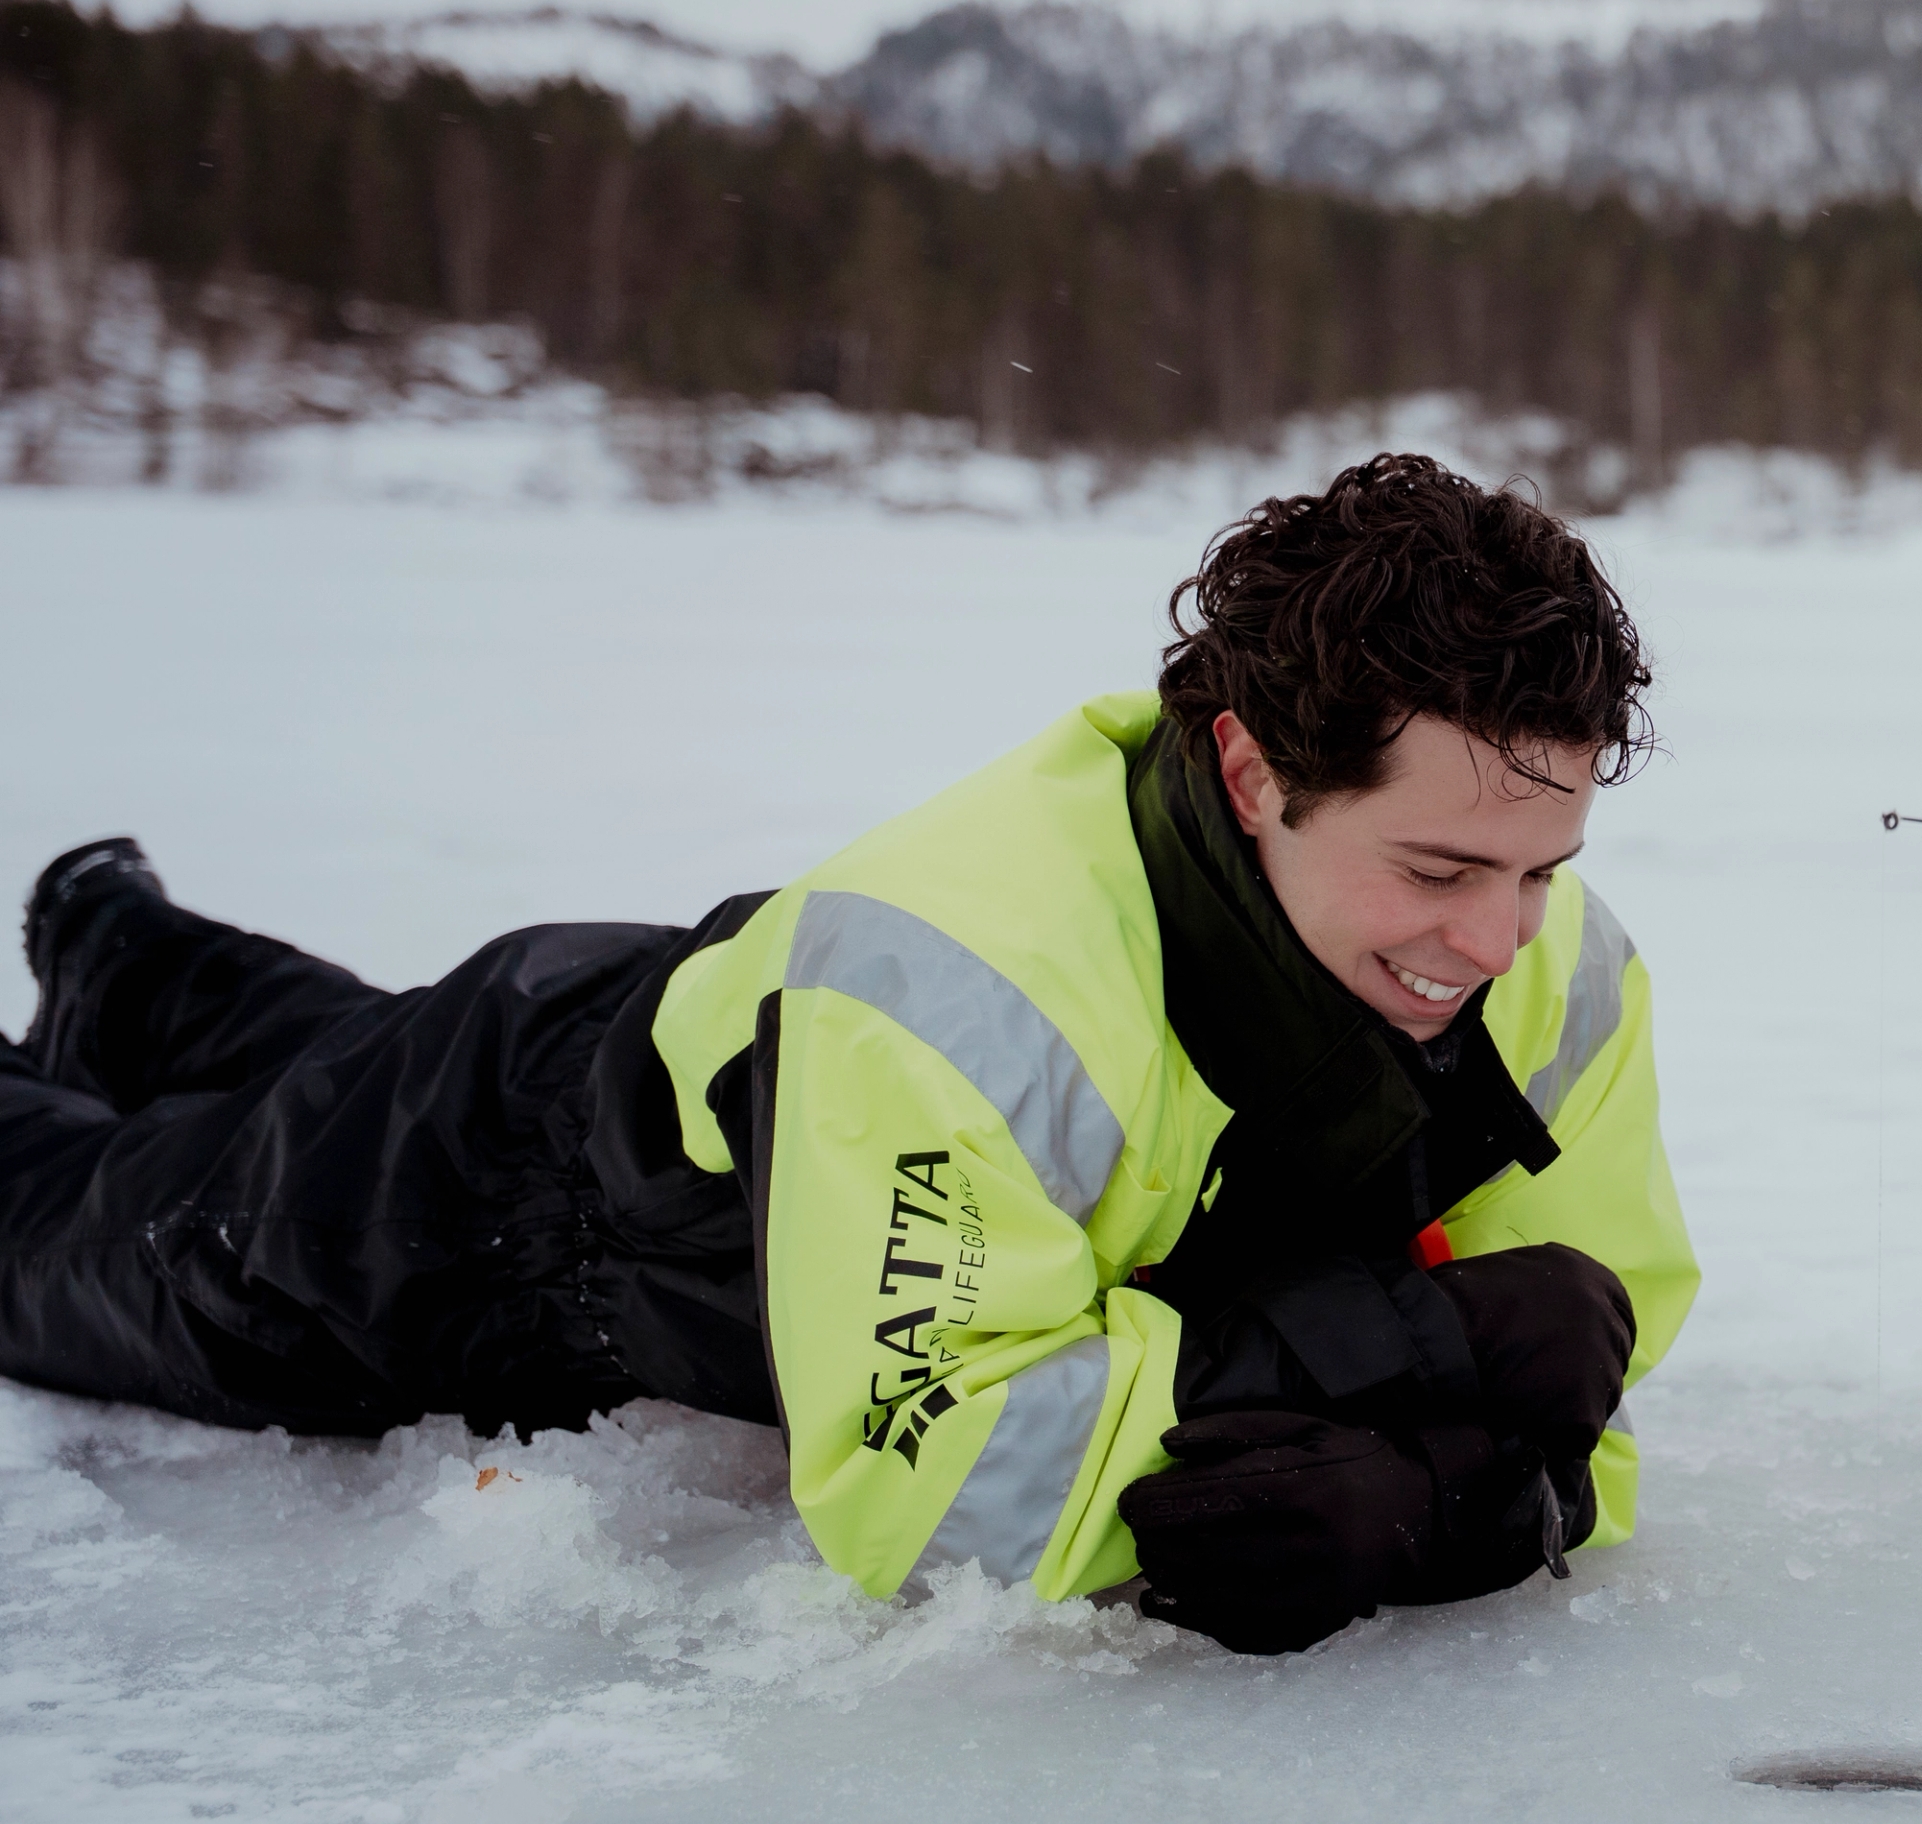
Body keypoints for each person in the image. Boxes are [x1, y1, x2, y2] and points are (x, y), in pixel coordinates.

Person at [0, 453, 1699, 1652]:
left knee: (308, 1053)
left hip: (752, 1044)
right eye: (1439, 871)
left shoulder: (1559, 984)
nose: (1501, 941)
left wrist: (1462, 1496)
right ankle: (112, 969)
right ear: (1255, 776)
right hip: (493, 1191)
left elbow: (1584, 1405)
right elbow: (943, 1487)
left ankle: (118, 948)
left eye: (1542, 871)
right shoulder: (971, 994)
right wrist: (1414, 1379)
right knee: (69, 1238)